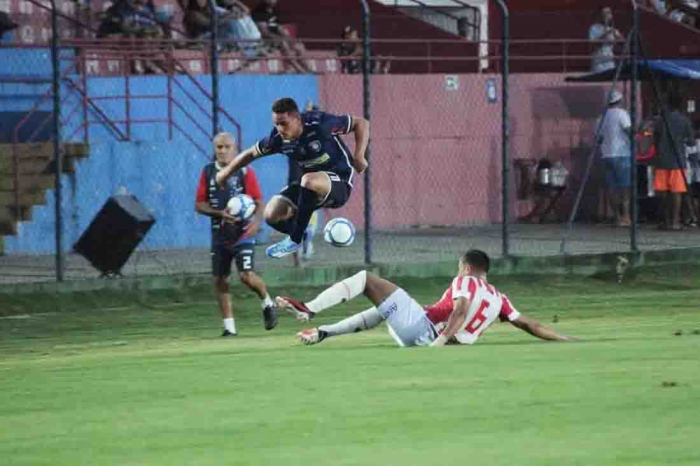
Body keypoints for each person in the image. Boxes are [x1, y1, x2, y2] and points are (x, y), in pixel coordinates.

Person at [277, 249, 574, 347]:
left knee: (366, 279)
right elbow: (530, 325)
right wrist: (565, 339)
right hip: (427, 335)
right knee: (386, 307)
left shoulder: (465, 280)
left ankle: (309, 308)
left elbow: (460, 309)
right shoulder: (500, 298)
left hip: (426, 332)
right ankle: (322, 332)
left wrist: (439, 342)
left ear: (467, 267)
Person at [215, 97, 370, 259]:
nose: (279, 128)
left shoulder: (320, 124)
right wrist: (225, 173)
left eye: (283, 123)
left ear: (297, 118)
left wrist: (359, 156)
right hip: (308, 187)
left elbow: (361, 123)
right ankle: (304, 237)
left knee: (308, 180)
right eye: (276, 123)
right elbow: (251, 153)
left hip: (340, 182)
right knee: (271, 214)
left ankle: (294, 239)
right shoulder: (278, 139)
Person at [195, 132, 279, 337]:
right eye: (219, 147)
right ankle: (229, 328)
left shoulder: (244, 171)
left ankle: (267, 302)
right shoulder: (208, 172)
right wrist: (219, 213)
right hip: (219, 235)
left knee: (246, 276)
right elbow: (199, 204)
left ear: (235, 149)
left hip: (243, 234)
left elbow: (258, 201)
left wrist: (256, 223)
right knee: (220, 279)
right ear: (214, 149)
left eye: (227, 147)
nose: (223, 151)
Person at [652, 91, 695, 230]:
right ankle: (675, 222)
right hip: (678, 160)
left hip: (662, 160)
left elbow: (655, 139)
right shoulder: (684, 120)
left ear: (668, 104)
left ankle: (665, 220)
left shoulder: (660, 120)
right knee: (677, 192)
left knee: (663, 192)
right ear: (680, 105)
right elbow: (691, 142)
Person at [597, 90, 633, 227]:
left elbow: (599, 139)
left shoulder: (601, 117)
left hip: (606, 155)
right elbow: (629, 131)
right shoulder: (622, 114)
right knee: (625, 188)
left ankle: (617, 218)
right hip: (622, 154)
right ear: (619, 101)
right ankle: (626, 217)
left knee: (611, 188)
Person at [251, 0, 314, 73]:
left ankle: (308, 70)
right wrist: (281, 38)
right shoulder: (258, 12)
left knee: (299, 45)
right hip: (263, 40)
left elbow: (277, 27)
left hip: (275, 38)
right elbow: (264, 32)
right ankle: (298, 69)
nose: (274, 1)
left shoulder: (271, 11)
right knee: (283, 43)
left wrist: (289, 39)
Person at [588, 6, 624, 73]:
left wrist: (618, 36)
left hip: (610, 64)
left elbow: (623, 43)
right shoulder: (594, 28)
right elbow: (593, 45)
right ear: (600, 15)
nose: (606, 15)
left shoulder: (613, 30)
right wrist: (606, 33)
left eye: (608, 13)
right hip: (598, 64)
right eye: (605, 13)